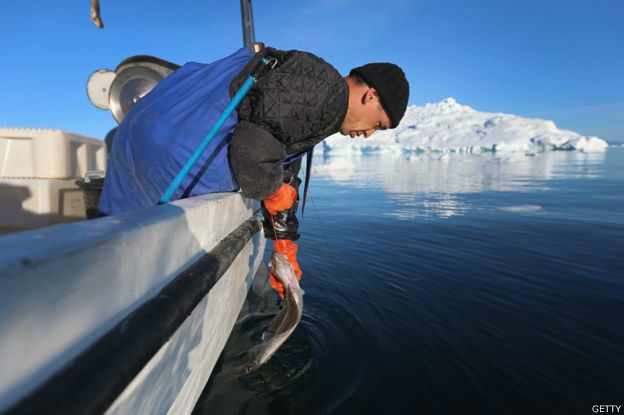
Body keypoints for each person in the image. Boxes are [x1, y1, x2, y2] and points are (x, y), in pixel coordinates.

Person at [98, 46, 409, 298]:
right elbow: (253, 154)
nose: (369, 135)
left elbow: (283, 169)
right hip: (178, 162)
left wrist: (285, 246)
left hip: (140, 135)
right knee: (140, 276)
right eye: (378, 125)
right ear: (371, 96)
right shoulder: (325, 94)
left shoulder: (309, 82)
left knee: (109, 246)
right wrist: (274, 192)